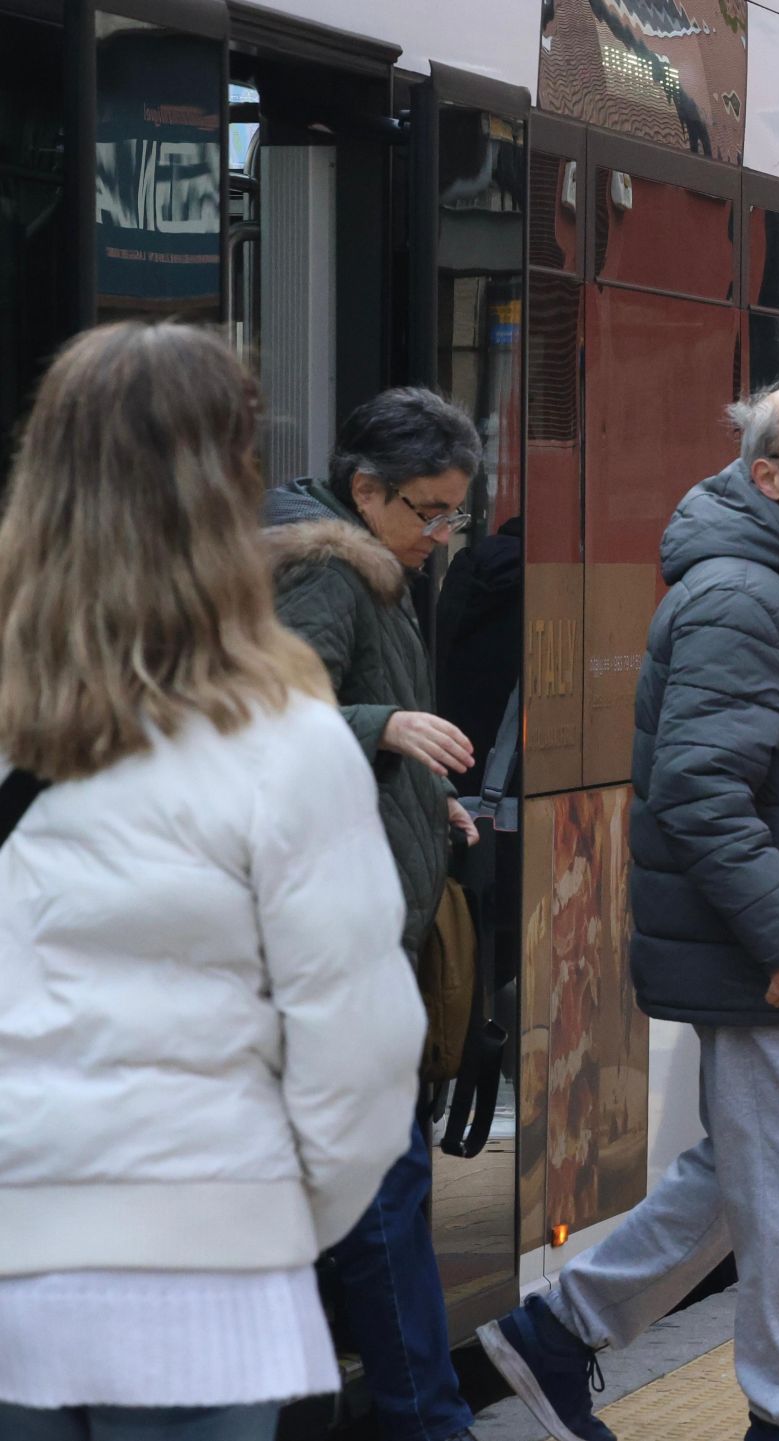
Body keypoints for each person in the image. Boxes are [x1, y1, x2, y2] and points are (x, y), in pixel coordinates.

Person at [0, 322, 425, 1440]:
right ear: (236, 491)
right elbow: (360, 1055)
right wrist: (269, 1222)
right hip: (204, 1282)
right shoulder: (284, 737)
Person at [479, 374, 779, 1441]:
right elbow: (701, 789)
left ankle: (559, 1331)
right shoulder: (744, 595)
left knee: (744, 1172)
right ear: (765, 478)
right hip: (770, 954)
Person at [262, 388, 484, 1441]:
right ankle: (424, 1422)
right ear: (364, 490)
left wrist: (416, 787)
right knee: (390, 1199)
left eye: (454, 515)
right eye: (428, 512)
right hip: (338, 945)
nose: (442, 537)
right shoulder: (326, 571)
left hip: (350, 931)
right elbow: (275, 714)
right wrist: (380, 722)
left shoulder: (369, 564)